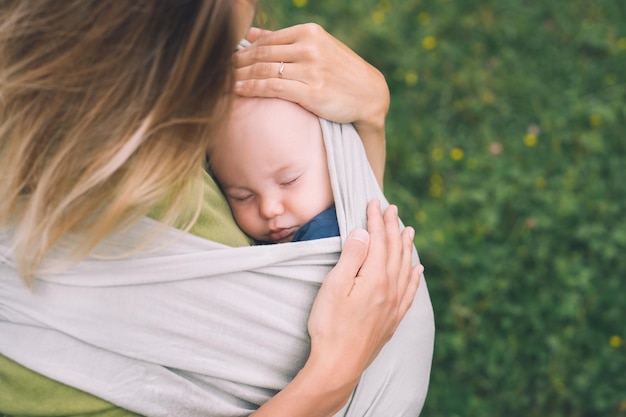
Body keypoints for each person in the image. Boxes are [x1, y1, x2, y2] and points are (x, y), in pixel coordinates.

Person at [0, 1, 434, 416]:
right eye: (241, 195)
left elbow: (350, 235)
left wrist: (367, 121)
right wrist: (330, 379)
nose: (269, 209)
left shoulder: (218, 90)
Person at [209, 97, 340, 244]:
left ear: (334, 157)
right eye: (243, 197)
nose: (268, 209)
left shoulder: (326, 232)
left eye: (289, 181)